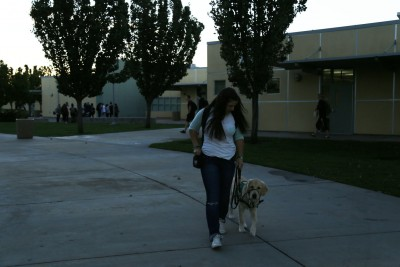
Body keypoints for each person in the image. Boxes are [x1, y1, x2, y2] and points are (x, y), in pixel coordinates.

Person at [188, 87, 248, 249]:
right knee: (213, 198)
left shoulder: (233, 116)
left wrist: (240, 157)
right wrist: (196, 147)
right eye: (230, 106)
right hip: (209, 160)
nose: (232, 109)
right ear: (222, 103)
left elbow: (239, 137)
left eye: (234, 106)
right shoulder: (205, 113)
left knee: (224, 195)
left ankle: (221, 219)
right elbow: (192, 129)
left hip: (228, 160)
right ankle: (214, 235)